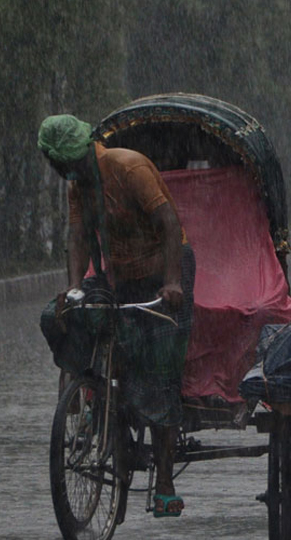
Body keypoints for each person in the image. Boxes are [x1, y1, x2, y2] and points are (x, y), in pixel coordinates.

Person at [37, 114, 195, 518]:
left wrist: (173, 282)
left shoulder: (128, 167)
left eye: (72, 164)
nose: (69, 173)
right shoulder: (79, 186)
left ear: (90, 148)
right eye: (62, 167)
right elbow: (77, 237)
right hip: (119, 276)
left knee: (159, 371)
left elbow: (170, 224)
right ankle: (88, 394)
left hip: (165, 273)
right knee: (60, 316)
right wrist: (75, 288)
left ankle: (164, 479)